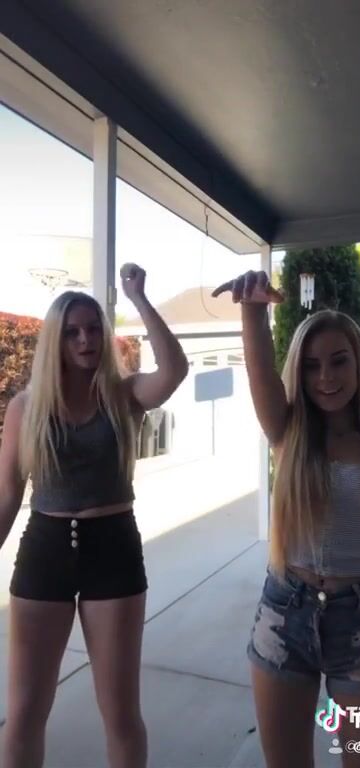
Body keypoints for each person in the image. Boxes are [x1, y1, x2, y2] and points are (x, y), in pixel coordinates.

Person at [212, 270, 360, 768]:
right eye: (311, 366)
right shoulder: (288, 434)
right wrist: (252, 308)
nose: (325, 377)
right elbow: (259, 369)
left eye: (338, 361)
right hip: (284, 613)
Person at [0, 263, 188, 768]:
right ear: (55, 342)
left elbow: (173, 372)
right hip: (45, 549)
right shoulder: (26, 408)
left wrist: (139, 298)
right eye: (72, 332)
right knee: (24, 714)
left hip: (113, 548)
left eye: (92, 329)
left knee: (121, 714)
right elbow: (7, 495)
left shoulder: (122, 395)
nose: (85, 340)